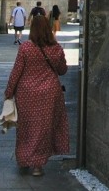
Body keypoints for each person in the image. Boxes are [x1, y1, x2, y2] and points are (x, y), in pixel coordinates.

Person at [4, 12, 69, 176]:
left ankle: (24, 159)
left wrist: (9, 92)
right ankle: (38, 165)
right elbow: (63, 70)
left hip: (26, 93)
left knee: (26, 127)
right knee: (43, 128)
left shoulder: (26, 48)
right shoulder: (56, 49)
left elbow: (16, 72)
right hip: (49, 93)